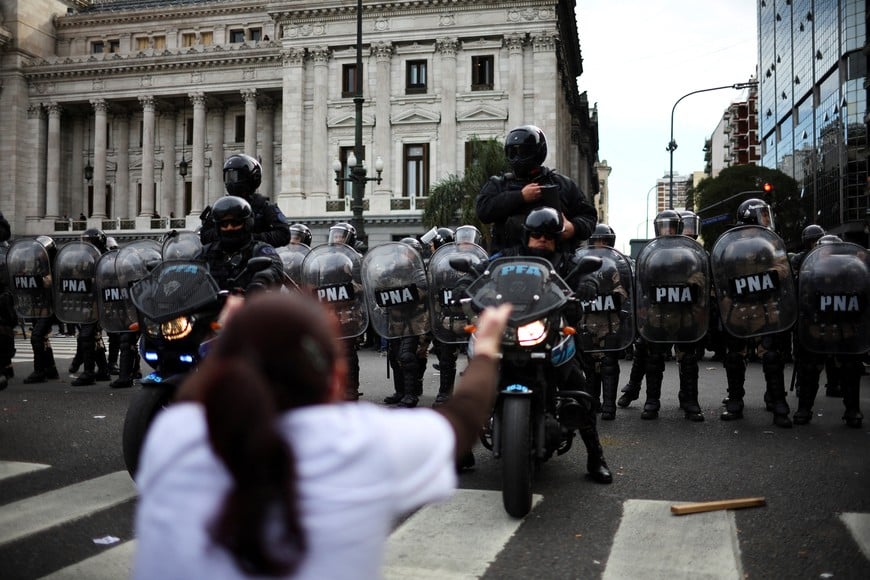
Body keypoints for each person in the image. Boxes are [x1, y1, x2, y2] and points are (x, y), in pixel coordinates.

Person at [133, 292, 511, 579]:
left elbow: (195, 396)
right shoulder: (359, 441)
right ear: (334, 381)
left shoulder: (175, 431)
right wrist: (488, 347)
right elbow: (462, 420)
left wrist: (232, 342)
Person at [496, 207, 612, 483]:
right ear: (527, 235)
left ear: (557, 238)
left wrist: (588, 285)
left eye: (549, 235)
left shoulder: (567, 260)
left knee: (578, 384)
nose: (542, 240)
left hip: (553, 330)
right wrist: (468, 282)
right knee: (474, 377)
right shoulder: (509, 257)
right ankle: (462, 448)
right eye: (537, 234)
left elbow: (587, 275)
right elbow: (484, 272)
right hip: (508, 330)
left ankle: (595, 456)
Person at [718, 198, 793, 428]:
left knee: (771, 355)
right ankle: (735, 401)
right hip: (739, 308)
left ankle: (778, 402)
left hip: (765, 308)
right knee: (734, 356)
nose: (765, 220)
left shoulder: (770, 244)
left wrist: (772, 273)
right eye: (761, 215)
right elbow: (721, 273)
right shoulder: (731, 246)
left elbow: (783, 267)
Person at [476, 125, 597, 254]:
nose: (517, 158)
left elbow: (589, 216)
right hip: (508, 263)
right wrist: (520, 196)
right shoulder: (499, 184)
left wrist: (573, 227)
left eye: (523, 152)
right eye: (513, 152)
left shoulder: (563, 185)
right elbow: (483, 210)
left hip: (556, 266)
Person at [200, 154, 291, 249]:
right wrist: (226, 235)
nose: (232, 181)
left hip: (255, 256)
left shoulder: (264, 206)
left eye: (236, 176)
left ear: (252, 177)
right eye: (229, 176)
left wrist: (252, 238)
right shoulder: (221, 206)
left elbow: (284, 234)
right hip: (224, 258)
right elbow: (204, 236)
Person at [196, 196, 284, 293]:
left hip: (247, 305)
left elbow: (274, 268)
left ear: (247, 224)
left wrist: (260, 283)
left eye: (235, 223)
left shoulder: (260, 249)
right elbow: (190, 271)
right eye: (224, 224)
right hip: (209, 305)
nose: (229, 228)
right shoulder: (206, 252)